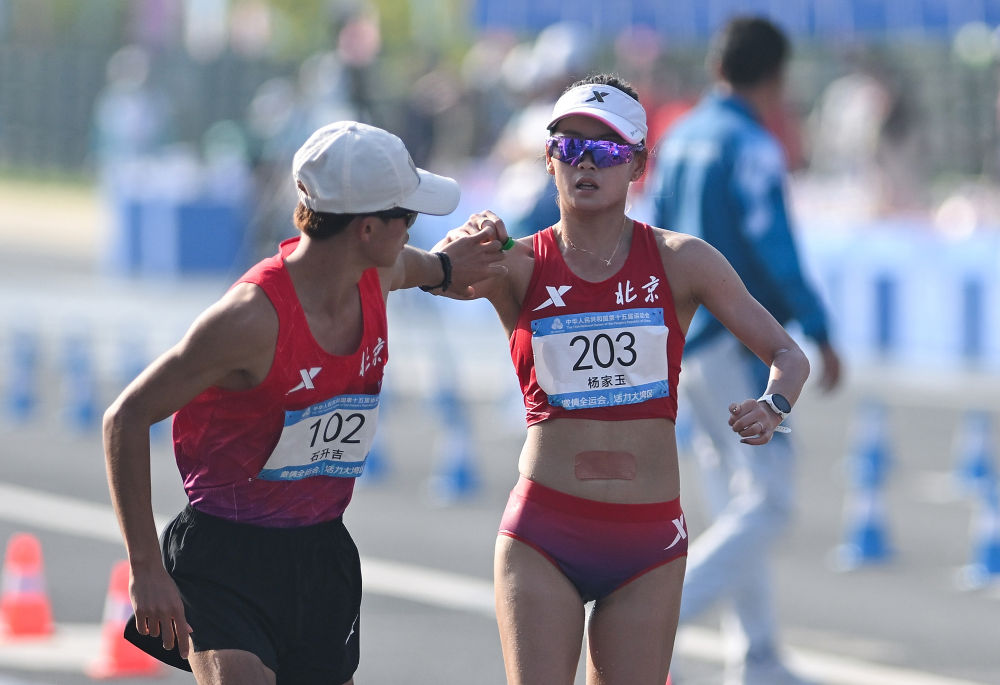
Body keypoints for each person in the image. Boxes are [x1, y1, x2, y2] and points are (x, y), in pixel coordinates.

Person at [433, 73, 810, 685]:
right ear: (548, 159)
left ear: (637, 163)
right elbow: (441, 279)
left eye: (605, 150)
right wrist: (460, 243)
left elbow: (788, 354)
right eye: (569, 147)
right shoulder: (516, 262)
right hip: (543, 535)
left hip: (647, 544)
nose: (586, 163)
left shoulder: (683, 260)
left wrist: (773, 406)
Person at [102, 120, 506, 685]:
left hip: (321, 554)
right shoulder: (249, 319)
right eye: (408, 218)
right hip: (225, 557)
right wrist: (145, 568)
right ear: (367, 228)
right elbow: (125, 417)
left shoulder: (378, 272)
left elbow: (422, 267)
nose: (413, 229)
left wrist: (448, 268)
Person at [649, 17, 842, 685]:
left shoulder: (680, 135)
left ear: (716, 65)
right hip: (741, 341)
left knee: (740, 499)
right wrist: (817, 326)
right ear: (777, 77)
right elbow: (773, 243)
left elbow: (655, 238)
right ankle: (652, 627)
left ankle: (756, 657)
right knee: (770, 503)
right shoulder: (751, 143)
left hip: (690, 343)